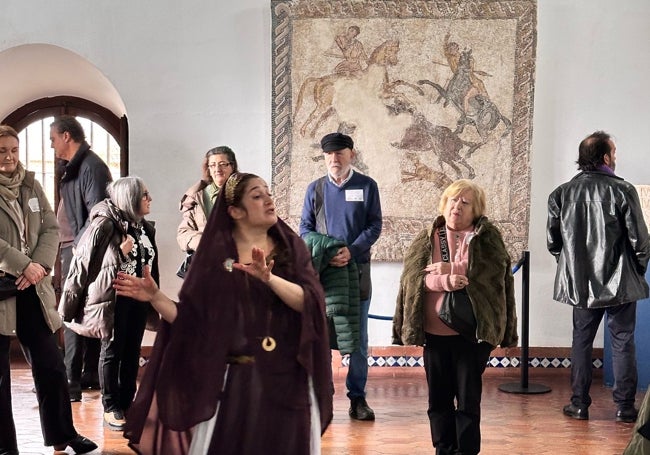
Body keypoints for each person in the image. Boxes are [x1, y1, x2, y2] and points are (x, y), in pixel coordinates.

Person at [114, 172, 333, 454]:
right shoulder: (217, 261)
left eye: (267, 192)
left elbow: (311, 304)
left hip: (288, 381)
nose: (268, 199)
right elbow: (191, 322)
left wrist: (269, 278)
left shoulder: (292, 249)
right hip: (234, 385)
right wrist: (155, 297)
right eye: (257, 195)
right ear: (235, 211)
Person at [392, 179, 518, 455]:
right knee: (438, 400)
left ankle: (466, 451)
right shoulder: (427, 238)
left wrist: (449, 267)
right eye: (453, 200)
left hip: (471, 335)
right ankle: (443, 448)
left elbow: (492, 274)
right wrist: (444, 282)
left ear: (476, 210)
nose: (457, 207)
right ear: (444, 203)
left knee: (468, 401)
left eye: (465, 202)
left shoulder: (487, 238)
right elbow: (412, 280)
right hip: (434, 335)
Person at [0, 125, 97, 455]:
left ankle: (63, 435)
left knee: (51, 364)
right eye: (2, 151)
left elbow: (51, 228)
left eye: (13, 149)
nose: (9, 156)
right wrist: (21, 265)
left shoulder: (31, 185)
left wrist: (38, 266)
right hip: (2, 289)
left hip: (33, 288)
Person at [547, 131, 650, 423]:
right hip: (621, 284)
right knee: (622, 342)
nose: (615, 158)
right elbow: (641, 242)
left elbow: (554, 243)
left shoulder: (562, 193)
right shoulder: (623, 190)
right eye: (613, 152)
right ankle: (625, 407)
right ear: (605, 157)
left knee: (581, 341)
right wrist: (636, 270)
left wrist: (573, 267)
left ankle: (579, 405)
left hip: (579, 284)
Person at [59, 176, 159, 432]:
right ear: (131, 198)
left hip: (138, 299)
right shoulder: (104, 224)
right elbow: (83, 265)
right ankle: (111, 406)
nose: (150, 199)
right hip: (113, 299)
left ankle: (128, 402)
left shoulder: (144, 227)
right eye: (145, 194)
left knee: (131, 352)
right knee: (112, 351)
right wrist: (120, 253)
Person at [299, 132, 382, 421]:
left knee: (357, 340)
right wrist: (330, 250)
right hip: (323, 275)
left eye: (340, 153)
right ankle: (322, 396)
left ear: (351, 155)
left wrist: (351, 249)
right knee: (319, 337)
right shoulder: (315, 189)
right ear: (324, 157)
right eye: (329, 154)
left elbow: (374, 226)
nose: (335, 159)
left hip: (357, 271)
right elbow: (305, 230)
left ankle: (357, 398)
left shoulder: (367, 186)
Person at [50, 115, 113, 401]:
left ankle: (72, 383)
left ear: (66, 136)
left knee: (73, 310)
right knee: (78, 308)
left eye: (52, 139)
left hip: (81, 250)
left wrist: (79, 249)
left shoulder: (92, 166)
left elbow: (98, 214)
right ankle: (83, 378)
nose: (51, 146)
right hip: (73, 246)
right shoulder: (73, 167)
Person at [176, 145, 238, 254]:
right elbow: (183, 233)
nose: (217, 169)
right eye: (212, 165)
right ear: (208, 169)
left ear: (232, 166)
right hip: (207, 262)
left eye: (223, 164)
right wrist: (202, 241)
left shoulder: (247, 192)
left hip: (239, 260)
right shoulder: (197, 197)